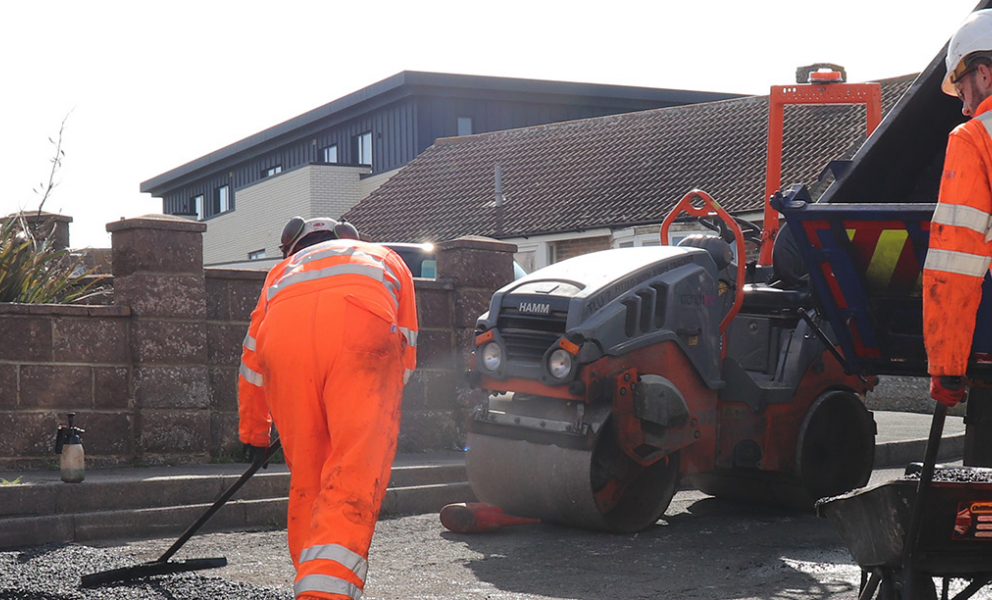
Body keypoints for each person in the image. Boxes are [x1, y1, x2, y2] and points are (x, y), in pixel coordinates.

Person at [238, 216, 418, 600]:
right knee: (353, 471)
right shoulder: (383, 257)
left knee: (309, 478)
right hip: (361, 336)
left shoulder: (280, 272)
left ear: (292, 247)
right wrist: (381, 407)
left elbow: (252, 363)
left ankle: (312, 581)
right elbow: (406, 345)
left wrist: (254, 433)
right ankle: (325, 593)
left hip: (286, 348)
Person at [923, 9, 992, 465]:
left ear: (984, 73)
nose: (964, 102)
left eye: (963, 83)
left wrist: (947, 365)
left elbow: (957, 260)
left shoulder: (974, 138)